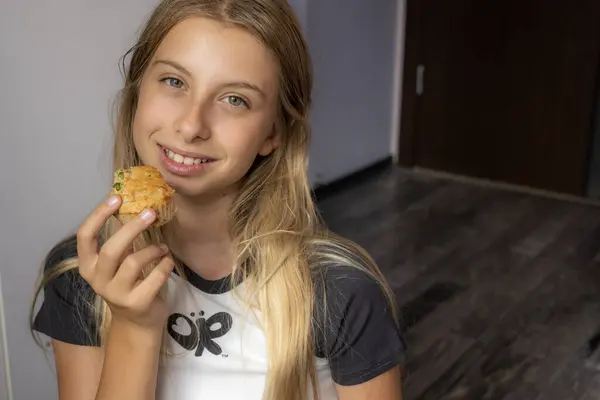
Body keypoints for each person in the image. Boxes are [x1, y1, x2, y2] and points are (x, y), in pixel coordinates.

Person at [30, 1, 406, 399]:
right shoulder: (79, 277)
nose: (191, 125)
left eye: (235, 99)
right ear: (138, 89)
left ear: (273, 133)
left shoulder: (340, 292)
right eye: (174, 81)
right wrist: (134, 326)